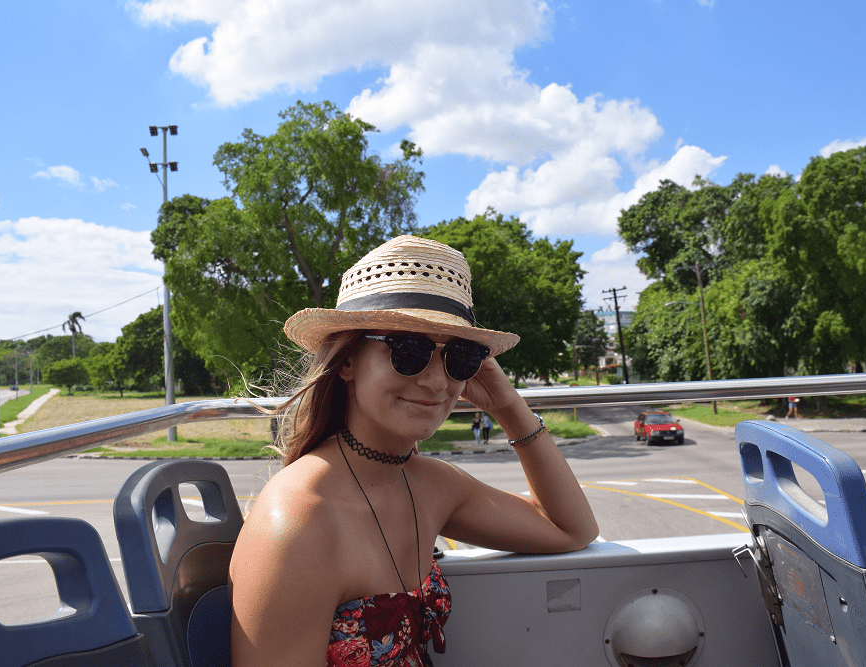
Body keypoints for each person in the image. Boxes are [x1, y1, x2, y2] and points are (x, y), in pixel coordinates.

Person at [229, 236, 598, 667]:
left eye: (459, 357)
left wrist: (509, 407)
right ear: (347, 361)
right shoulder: (298, 521)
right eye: (408, 350)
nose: (437, 382)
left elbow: (570, 529)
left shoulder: (430, 484)